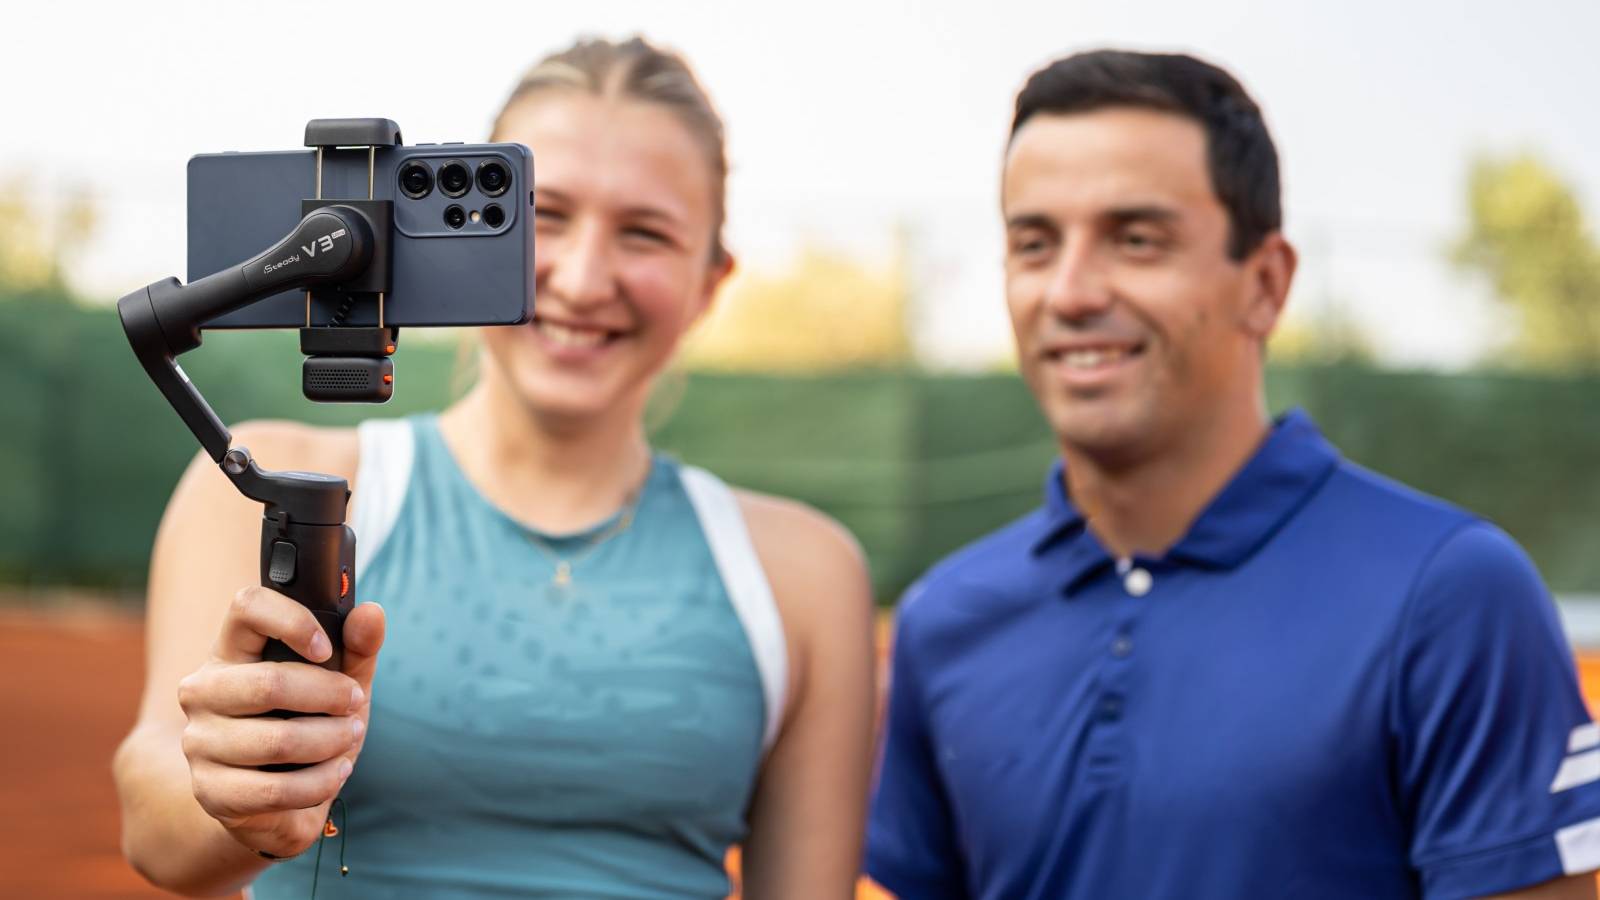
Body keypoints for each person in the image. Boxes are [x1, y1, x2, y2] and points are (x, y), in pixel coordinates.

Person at [113, 36, 876, 899]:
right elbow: (154, 823)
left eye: (646, 233)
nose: (583, 279)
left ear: (711, 281)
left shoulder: (805, 574)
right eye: (542, 216)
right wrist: (235, 794)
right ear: (446, 239)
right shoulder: (273, 482)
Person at [865, 49, 1600, 899]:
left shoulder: (1453, 594)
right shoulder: (944, 618)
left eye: (1135, 240)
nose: (1069, 292)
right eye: (1034, 244)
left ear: (1266, 283)